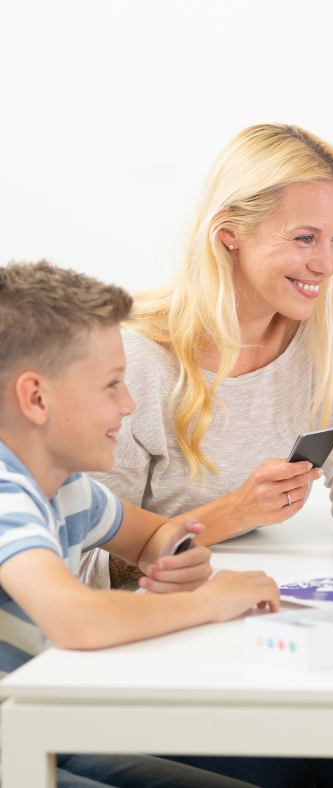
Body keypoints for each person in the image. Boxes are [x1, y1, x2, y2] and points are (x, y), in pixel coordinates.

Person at [78, 123, 333, 787]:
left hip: (248, 619)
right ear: (229, 230)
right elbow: (90, 551)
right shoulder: (137, 357)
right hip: (154, 639)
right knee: (293, 771)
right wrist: (232, 514)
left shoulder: (326, 324)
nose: (328, 262)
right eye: (304, 238)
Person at [0, 261, 279, 788]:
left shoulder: (66, 487)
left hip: (38, 727)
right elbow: (75, 621)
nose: (128, 406)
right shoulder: (5, 492)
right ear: (36, 398)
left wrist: (175, 553)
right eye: (111, 386)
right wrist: (207, 601)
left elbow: (152, 534)